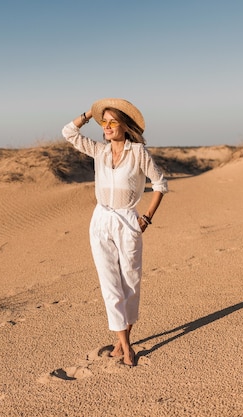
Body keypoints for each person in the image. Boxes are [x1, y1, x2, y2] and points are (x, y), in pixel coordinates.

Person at [62, 98, 168, 366]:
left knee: (130, 283)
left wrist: (146, 218)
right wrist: (90, 113)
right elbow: (68, 133)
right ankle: (126, 345)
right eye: (103, 122)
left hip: (128, 221)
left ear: (125, 126)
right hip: (100, 219)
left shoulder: (138, 153)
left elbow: (160, 184)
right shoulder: (99, 151)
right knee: (110, 284)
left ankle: (121, 340)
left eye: (112, 122)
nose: (107, 126)